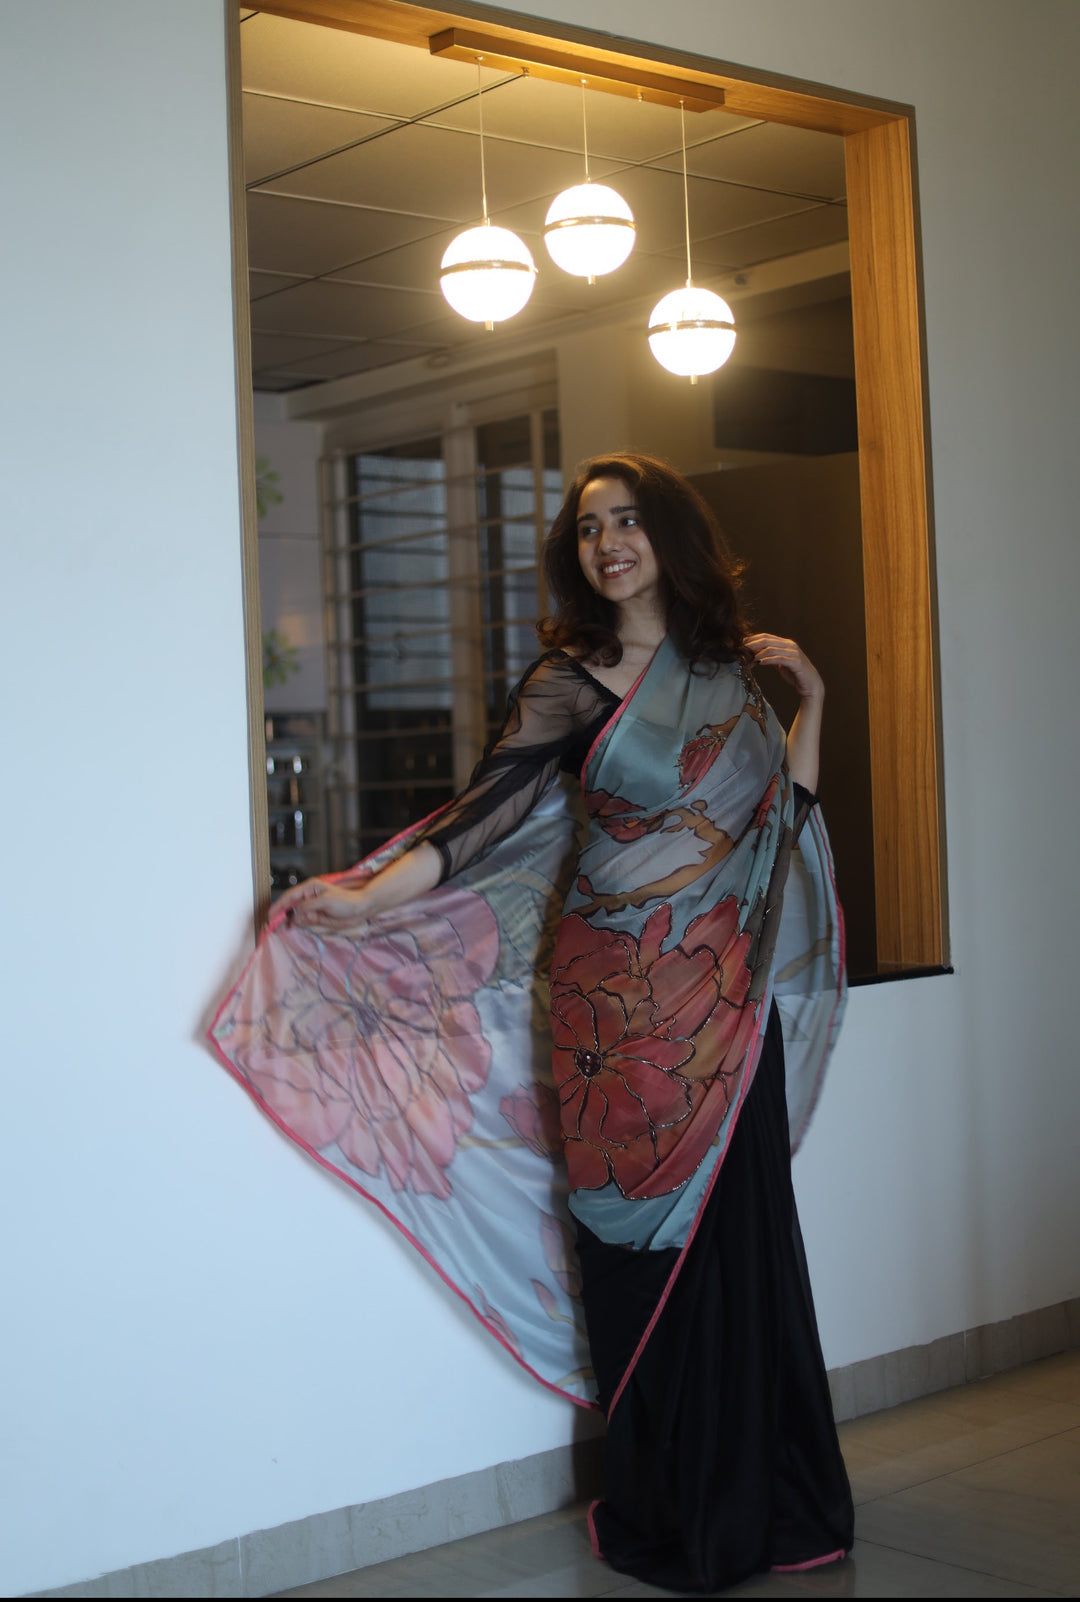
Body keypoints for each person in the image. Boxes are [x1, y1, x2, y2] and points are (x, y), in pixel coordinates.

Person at [210, 453, 853, 1594]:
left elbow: (785, 821)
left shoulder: (726, 675)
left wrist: (812, 697)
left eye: (629, 522)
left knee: (740, 1247)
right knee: (636, 1253)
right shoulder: (570, 681)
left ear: (669, 536)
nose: (609, 544)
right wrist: (365, 900)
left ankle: (769, 1501)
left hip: (725, 1006)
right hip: (616, 1013)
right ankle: (674, 1509)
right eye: (590, 527)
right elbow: (479, 818)